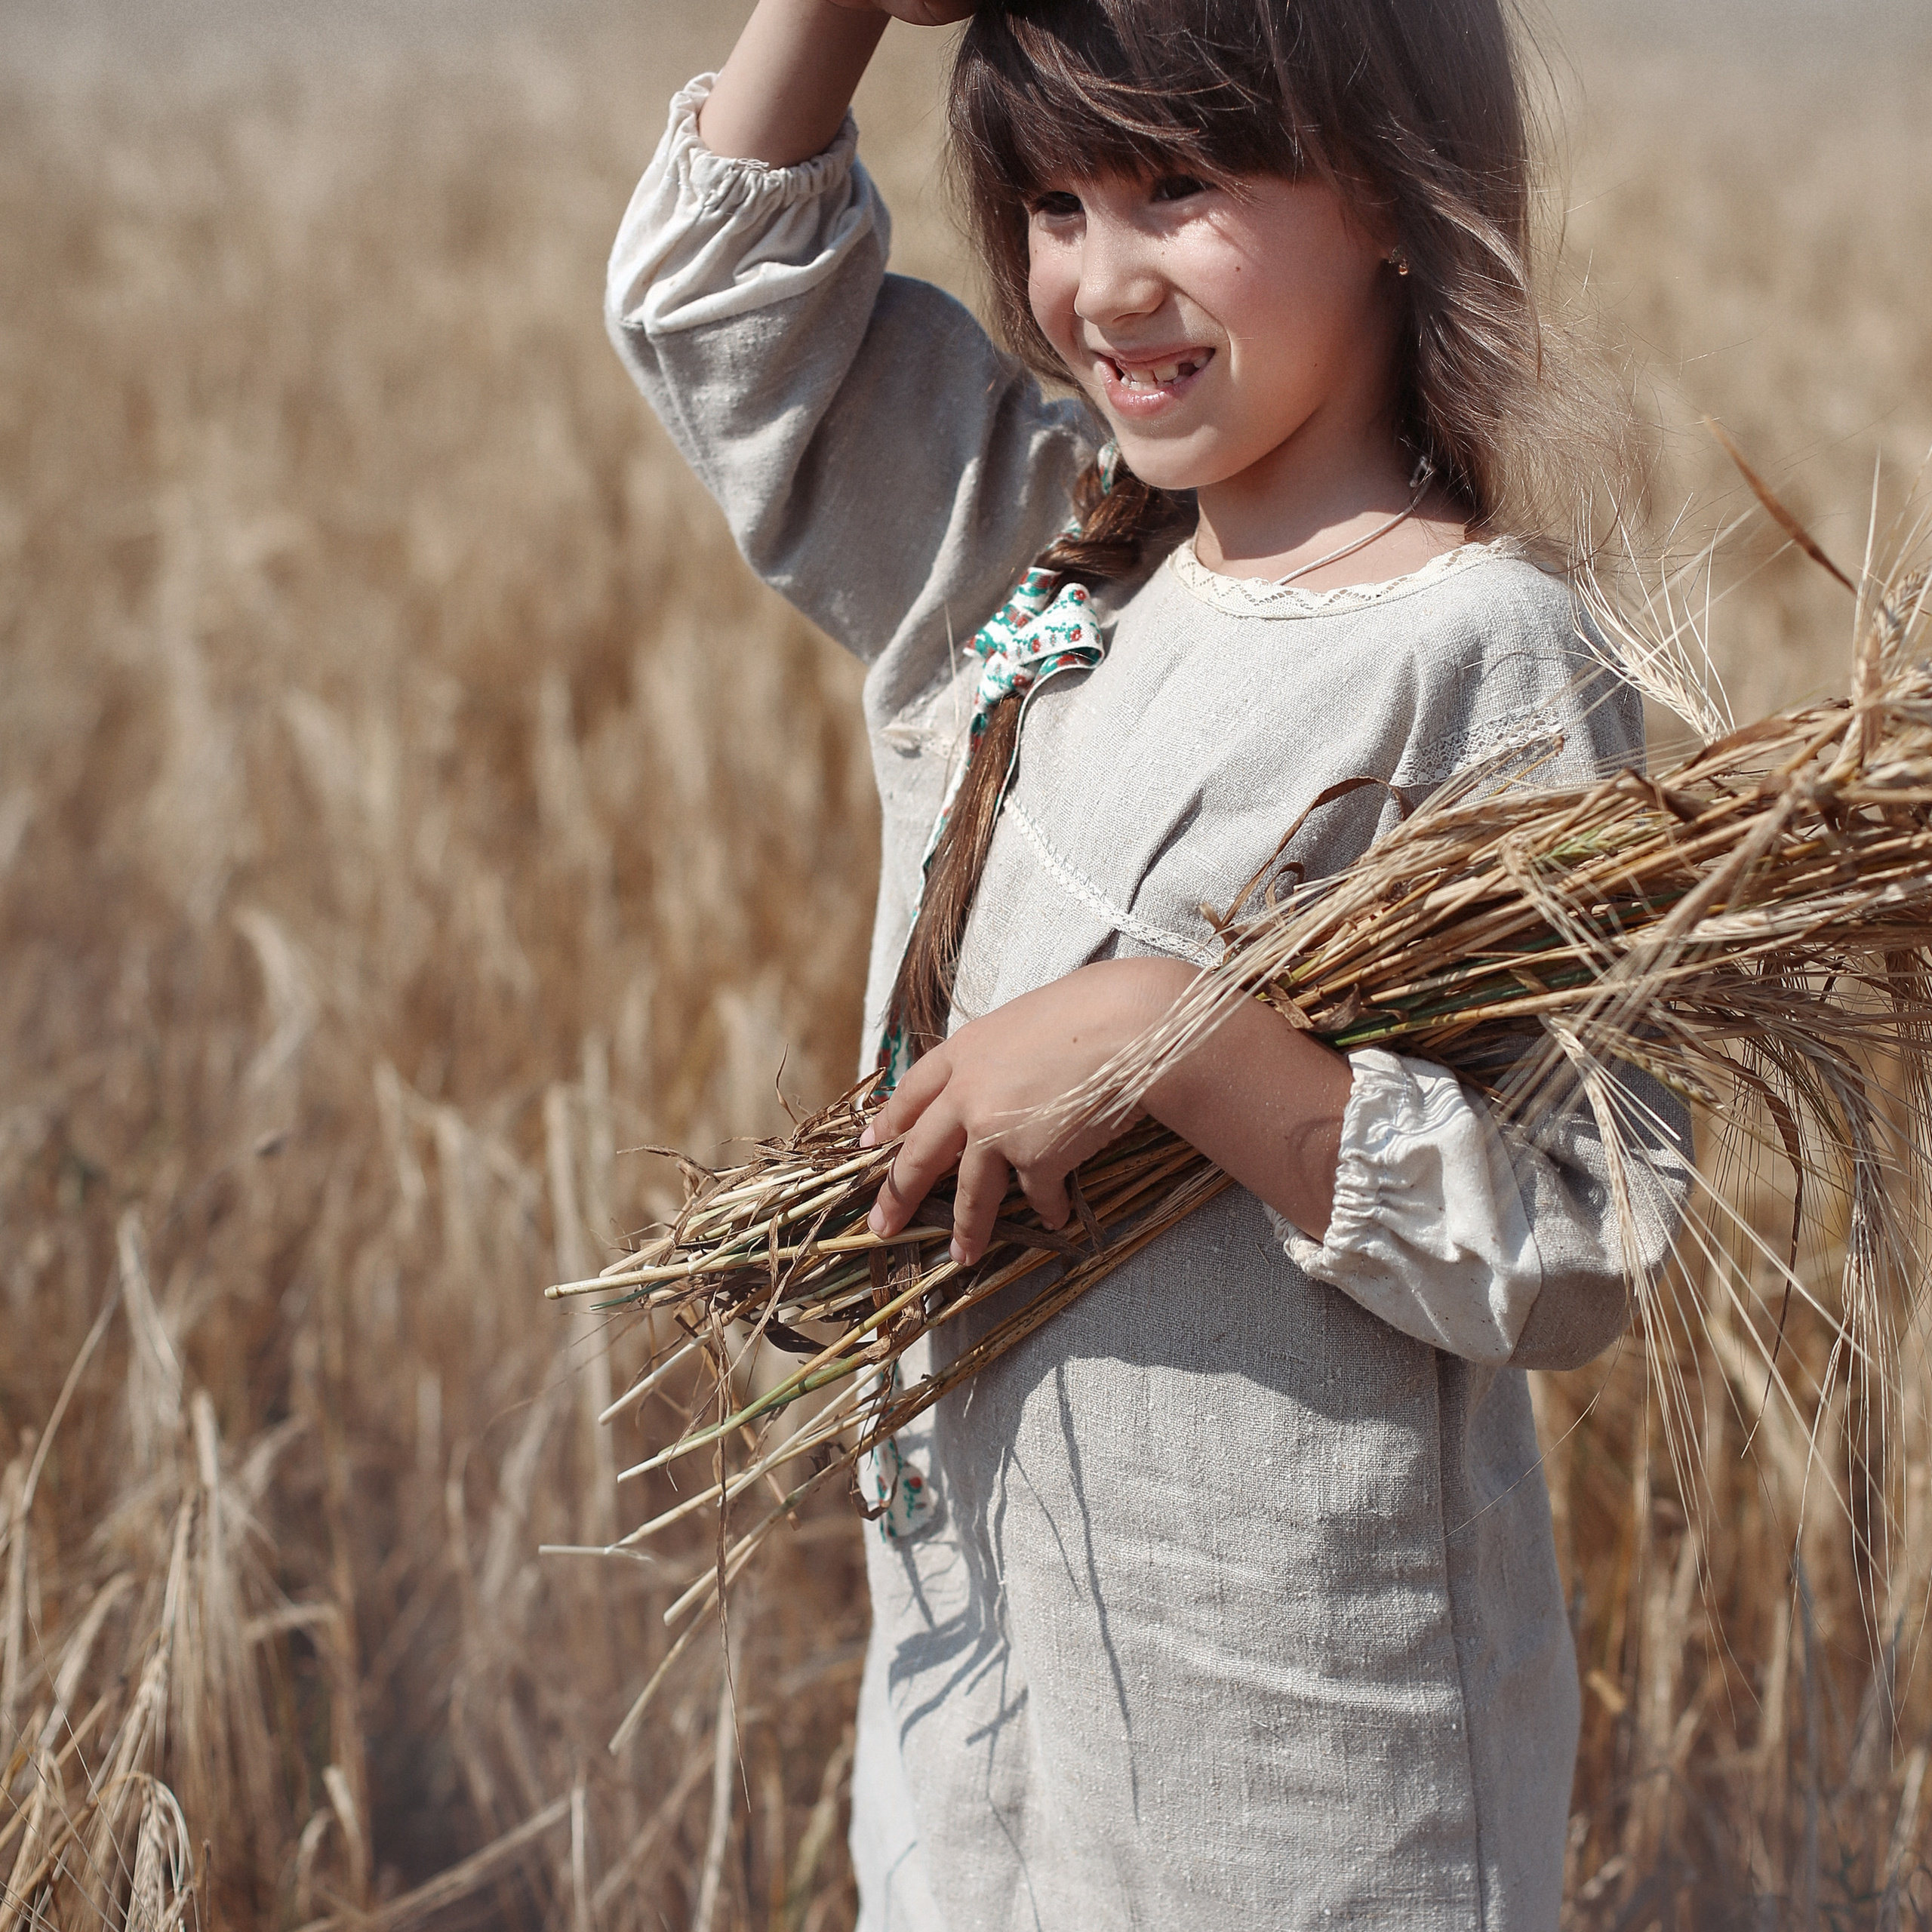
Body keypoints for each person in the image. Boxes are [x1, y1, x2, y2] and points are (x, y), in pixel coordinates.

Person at [605, 2, 1691, 1923]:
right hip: (976, 1683)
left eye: (1176, 188)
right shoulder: (1046, 552)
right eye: (1047, 201)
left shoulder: (1482, 657)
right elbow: (715, 309)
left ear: (1382, 188)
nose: (1100, 282)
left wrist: (1176, 1039)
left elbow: (1577, 1227)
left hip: (1292, 1767)